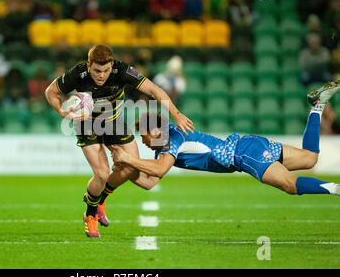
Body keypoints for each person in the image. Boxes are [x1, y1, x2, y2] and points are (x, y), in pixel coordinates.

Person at [45, 44, 194, 238]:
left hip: (114, 122)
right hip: (87, 124)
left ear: (112, 65)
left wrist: (176, 114)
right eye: (97, 71)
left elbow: (155, 90)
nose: (101, 75)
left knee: (130, 167)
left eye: (106, 70)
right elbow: (51, 91)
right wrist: (61, 111)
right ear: (88, 65)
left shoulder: (122, 71)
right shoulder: (77, 74)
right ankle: (91, 214)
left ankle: (100, 199)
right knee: (101, 174)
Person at [111, 79, 340, 197]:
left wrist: (130, 160)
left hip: (245, 154)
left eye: (144, 136)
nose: (142, 141)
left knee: (290, 185)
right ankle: (318, 105)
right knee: (310, 158)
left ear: (157, 131)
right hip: (248, 144)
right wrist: (127, 169)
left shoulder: (174, 137)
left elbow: (158, 170)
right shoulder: (164, 146)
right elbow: (150, 182)